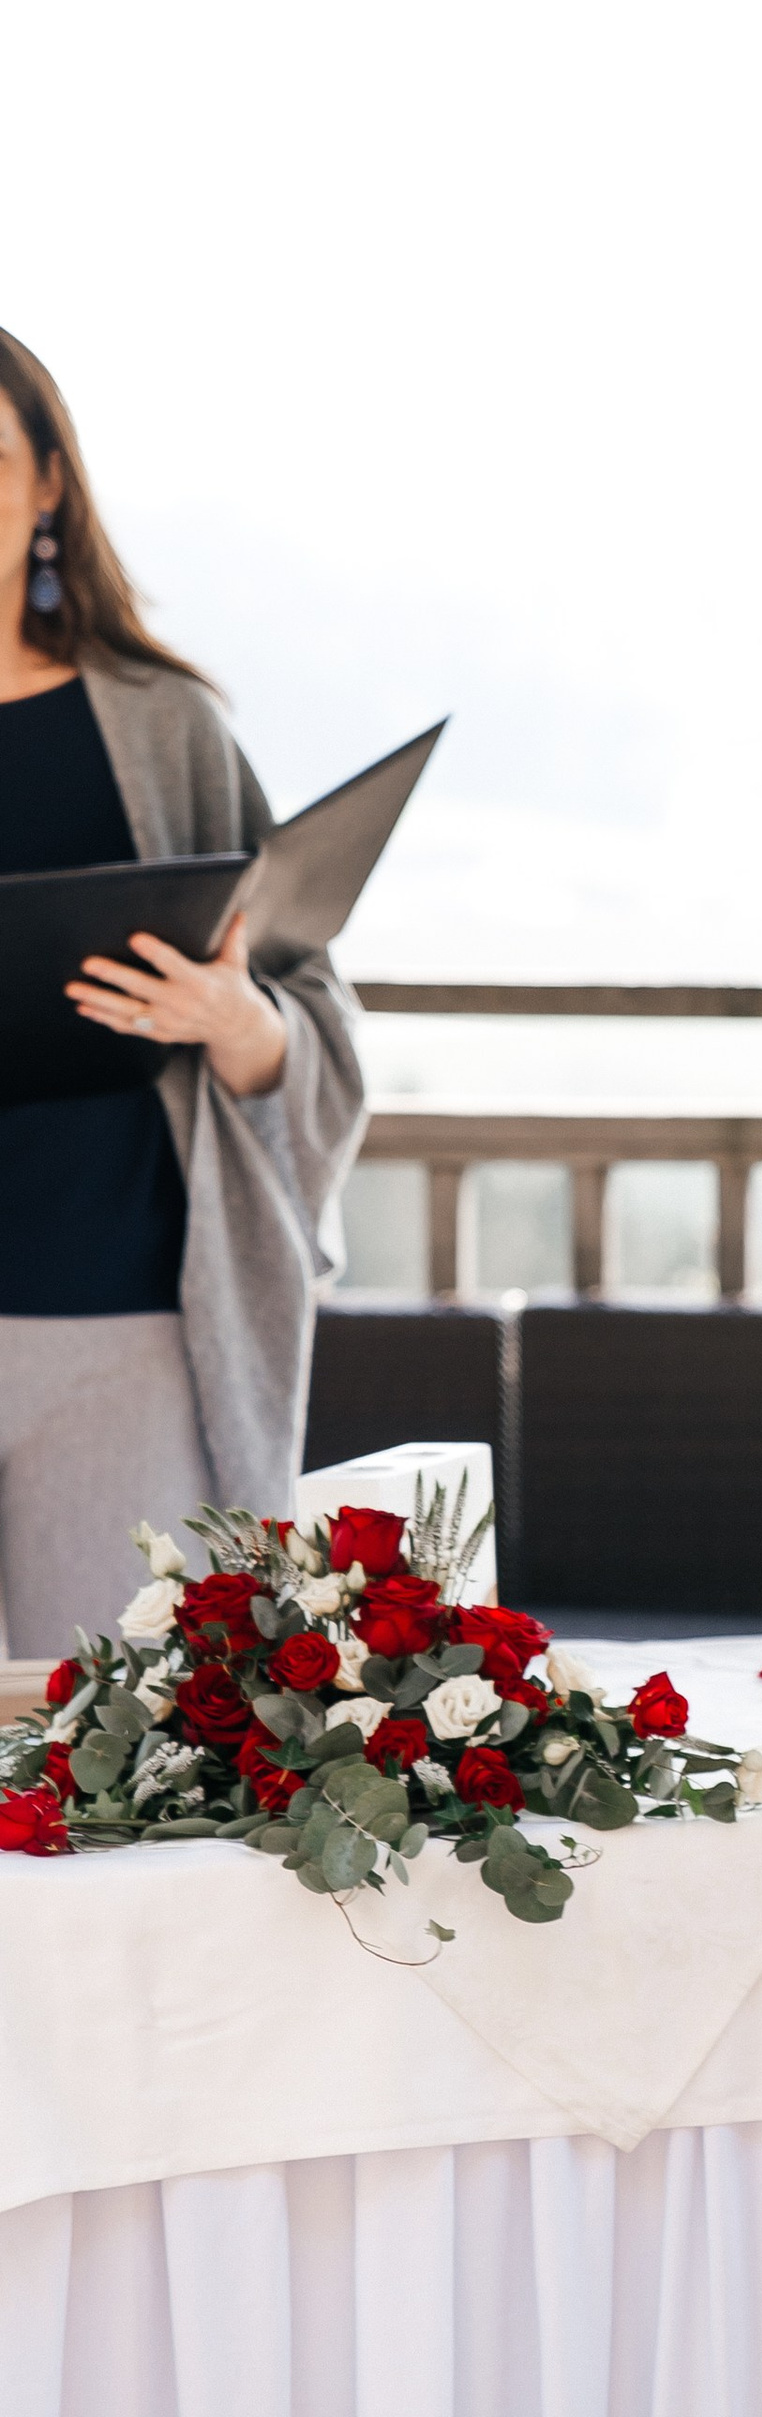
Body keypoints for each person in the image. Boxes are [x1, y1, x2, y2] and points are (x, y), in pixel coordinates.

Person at [0, 329, 362, 1660]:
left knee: (116, 1772)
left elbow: (299, 1003)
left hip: (127, 1337)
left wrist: (242, 1027)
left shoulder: (166, 730)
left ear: (49, 486)